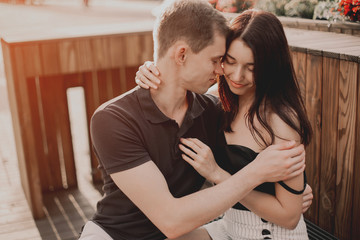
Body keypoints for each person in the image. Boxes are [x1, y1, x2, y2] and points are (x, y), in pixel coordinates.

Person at [79, 1, 309, 239]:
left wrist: (291, 188)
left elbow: (284, 201)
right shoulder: (113, 119)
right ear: (181, 54)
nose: (222, 71)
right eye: (219, 60)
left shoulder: (213, 112)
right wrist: (257, 173)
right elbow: (171, 220)